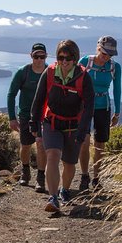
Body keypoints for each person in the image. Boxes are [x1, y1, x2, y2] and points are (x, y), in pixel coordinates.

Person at [30, 39, 94, 212]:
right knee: (52, 155)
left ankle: (64, 190)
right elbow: (39, 98)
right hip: (51, 123)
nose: (64, 61)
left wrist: (83, 131)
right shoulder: (49, 72)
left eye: (69, 57)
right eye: (61, 57)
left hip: (74, 126)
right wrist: (33, 121)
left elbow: (89, 107)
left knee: (69, 163)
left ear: (75, 58)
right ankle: (53, 197)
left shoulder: (83, 77)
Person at [78, 35, 122, 191]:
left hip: (103, 106)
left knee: (100, 144)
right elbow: (75, 84)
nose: (106, 58)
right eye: (104, 54)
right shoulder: (85, 62)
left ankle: (96, 178)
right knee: (84, 140)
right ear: (98, 49)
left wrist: (117, 112)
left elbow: (117, 89)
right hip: (85, 106)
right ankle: (84, 176)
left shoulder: (114, 67)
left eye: (110, 55)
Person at [7, 43, 49, 192]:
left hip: (44, 116)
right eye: (36, 56)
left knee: (41, 145)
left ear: (46, 56)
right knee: (25, 145)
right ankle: (25, 170)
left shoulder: (50, 72)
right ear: (30, 56)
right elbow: (11, 94)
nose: (39, 59)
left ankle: (40, 177)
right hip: (25, 116)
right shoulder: (23, 72)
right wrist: (12, 118)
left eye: (42, 56)